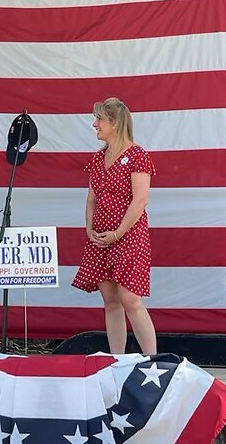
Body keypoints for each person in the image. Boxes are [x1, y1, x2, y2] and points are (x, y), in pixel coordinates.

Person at [71, 97, 157, 355]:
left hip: (129, 235)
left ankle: (152, 359)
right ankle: (116, 360)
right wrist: (89, 229)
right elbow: (91, 198)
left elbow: (141, 199)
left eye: (99, 119)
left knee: (130, 299)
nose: (94, 124)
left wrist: (118, 233)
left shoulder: (137, 156)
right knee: (110, 301)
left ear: (115, 123)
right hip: (100, 237)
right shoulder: (98, 158)